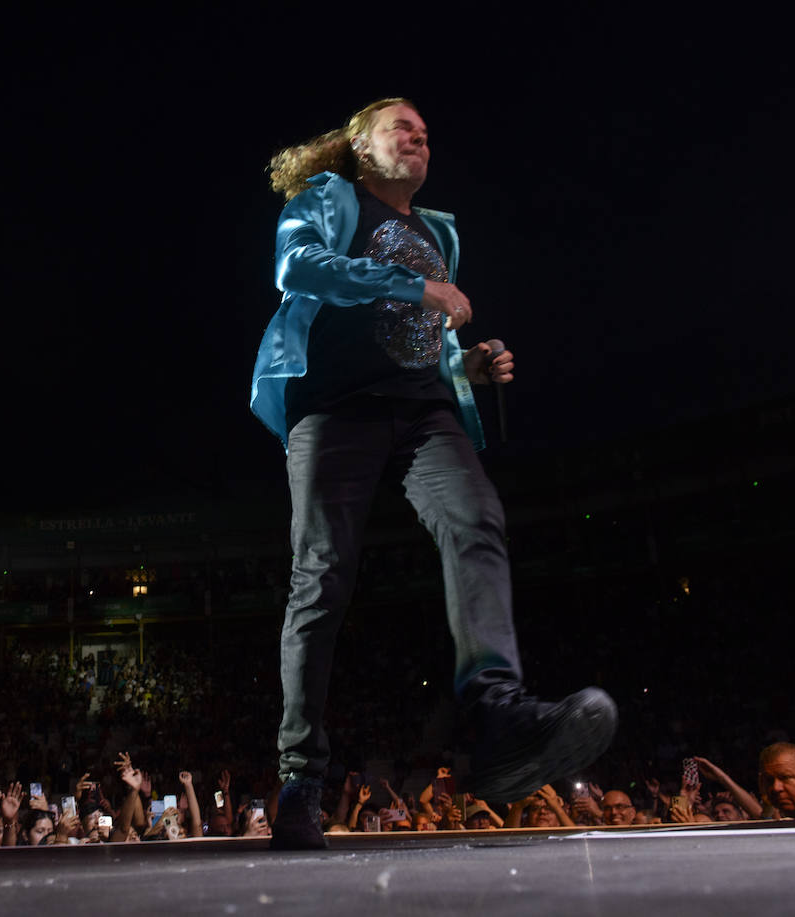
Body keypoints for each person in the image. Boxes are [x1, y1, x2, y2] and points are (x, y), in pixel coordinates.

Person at [251, 97, 618, 850]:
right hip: (334, 407)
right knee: (320, 576)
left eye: (425, 132)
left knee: (476, 519)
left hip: (424, 413)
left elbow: (423, 338)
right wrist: (420, 289)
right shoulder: (330, 198)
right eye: (401, 128)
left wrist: (469, 366)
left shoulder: (439, 229)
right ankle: (301, 777)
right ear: (361, 145)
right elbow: (296, 266)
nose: (419, 138)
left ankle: (500, 719)